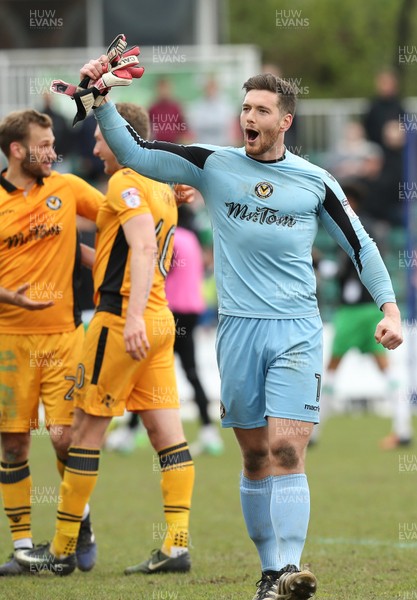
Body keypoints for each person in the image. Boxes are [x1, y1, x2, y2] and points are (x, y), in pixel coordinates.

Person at [21, 58, 403, 600]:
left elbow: (360, 245)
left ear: (284, 122)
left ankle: (290, 570)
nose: (249, 116)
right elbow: (134, 154)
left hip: (296, 330)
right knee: (253, 456)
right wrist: (101, 102)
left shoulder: (316, 182)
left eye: (261, 110)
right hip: (238, 332)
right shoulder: (212, 164)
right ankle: (269, 572)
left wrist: (388, 308)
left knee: (288, 450)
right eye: (245, 107)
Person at [17, 102, 195, 577]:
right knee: (168, 437)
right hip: (160, 322)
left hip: (123, 322)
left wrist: (130, 315)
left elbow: (140, 247)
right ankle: (177, 545)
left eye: (100, 136)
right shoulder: (162, 185)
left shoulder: (125, 181)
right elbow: (122, 248)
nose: (95, 144)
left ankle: (59, 548)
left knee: (83, 433)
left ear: (122, 138)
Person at [0, 109, 103, 575]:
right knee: (14, 445)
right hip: (8, 341)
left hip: (63, 338)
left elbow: (121, 213)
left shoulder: (66, 187)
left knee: (64, 439)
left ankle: (78, 521)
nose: (53, 152)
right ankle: (23, 547)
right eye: (44, 145)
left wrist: (171, 192)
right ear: (17, 150)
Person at [312, 181, 407, 445]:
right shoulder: (372, 228)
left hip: (352, 313)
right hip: (374, 311)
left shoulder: (351, 229)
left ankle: (314, 434)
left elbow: (339, 273)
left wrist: (317, 261)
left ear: (349, 200)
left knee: (330, 370)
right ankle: (403, 431)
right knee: (387, 371)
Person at [148, 77, 191, 144]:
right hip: (158, 145)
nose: (164, 91)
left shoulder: (176, 107)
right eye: (162, 88)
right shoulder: (153, 108)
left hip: (175, 144)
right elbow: (148, 127)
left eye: (166, 88)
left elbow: (184, 128)